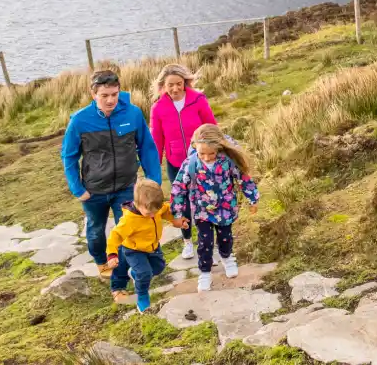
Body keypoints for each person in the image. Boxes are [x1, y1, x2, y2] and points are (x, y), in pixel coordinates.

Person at [61, 69, 161, 278]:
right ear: (93, 94)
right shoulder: (79, 121)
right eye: (104, 95)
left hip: (126, 188)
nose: (110, 100)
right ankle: (100, 261)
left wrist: (154, 183)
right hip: (93, 191)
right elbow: (69, 156)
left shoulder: (133, 114)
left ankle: (122, 275)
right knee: (96, 233)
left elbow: (147, 148)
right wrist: (77, 189)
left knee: (126, 231)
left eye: (114, 94)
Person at [171, 124, 258, 289]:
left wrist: (253, 199)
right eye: (201, 153)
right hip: (201, 210)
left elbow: (243, 179)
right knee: (205, 242)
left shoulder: (227, 161)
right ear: (195, 147)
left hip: (225, 208)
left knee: (225, 238)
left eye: (211, 153)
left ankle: (226, 256)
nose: (206, 157)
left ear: (219, 148)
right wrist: (177, 214)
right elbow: (178, 188)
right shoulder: (191, 163)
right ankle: (204, 273)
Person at [149, 64, 217, 261]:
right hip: (176, 162)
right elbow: (157, 139)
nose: (175, 89)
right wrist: (155, 171)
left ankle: (209, 245)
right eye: (171, 85)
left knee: (207, 200)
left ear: (185, 82)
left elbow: (211, 127)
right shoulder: (158, 108)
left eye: (179, 84)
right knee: (181, 202)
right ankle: (187, 241)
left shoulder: (198, 100)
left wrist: (218, 153)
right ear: (163, 85)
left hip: (202, 159)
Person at [106, 179, 183, 312]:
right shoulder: (129, 220)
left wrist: (175, 220)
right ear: (137, 204)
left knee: (158, 268)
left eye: (155, 211)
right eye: (149, 213)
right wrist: (112, 254)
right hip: (134, 250)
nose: (152, 215)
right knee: (145, 273)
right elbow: (116, 235)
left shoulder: (154, 208)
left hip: (153, 247)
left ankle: (135, 274)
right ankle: (142, 296)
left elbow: (165, 210)